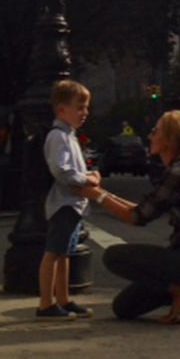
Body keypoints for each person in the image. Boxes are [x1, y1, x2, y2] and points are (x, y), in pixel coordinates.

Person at [86, 109, 180, 324]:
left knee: (114, 256)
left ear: (169, 139)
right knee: (123, 307)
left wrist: (95, 195)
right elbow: (146, 208)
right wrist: (105, 193)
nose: (150, 136)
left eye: (155, 131)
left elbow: (138, 217)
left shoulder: (178, 172)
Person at [36, 78, 100, 320]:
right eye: (80, 107)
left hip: (72, 204)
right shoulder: (58, 137)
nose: (85, 112)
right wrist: (86, 180)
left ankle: (63, 299)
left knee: (64, 253)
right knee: (53, 252)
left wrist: (88, 175)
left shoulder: (68, 135)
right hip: (63, 203)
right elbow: (61, 170)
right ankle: (45, 303)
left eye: (86, 107)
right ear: (62, 109)